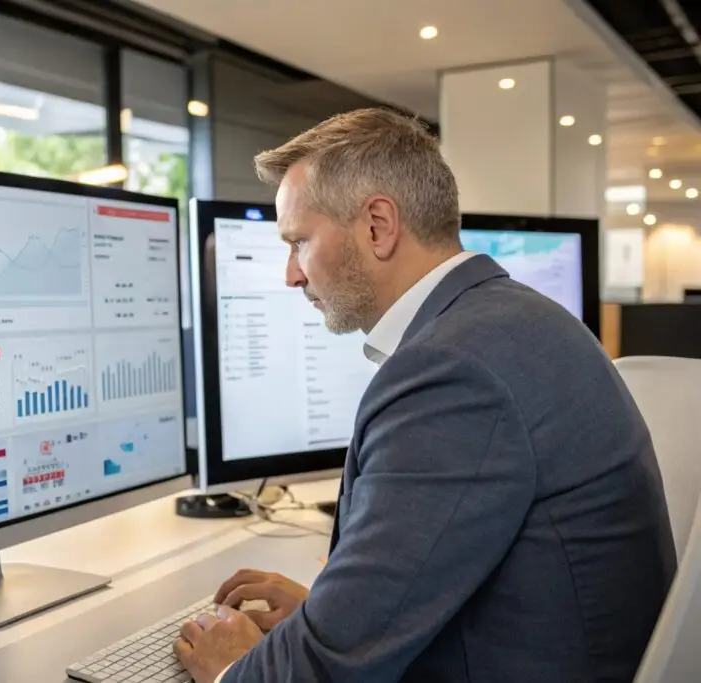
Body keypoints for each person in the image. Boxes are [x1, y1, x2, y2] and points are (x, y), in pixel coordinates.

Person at [172, 108, 676, 683]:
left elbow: (324, 674)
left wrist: (231, 666)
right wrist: (332, 613)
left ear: (377, 225)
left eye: (299, 242)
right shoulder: (514, 318)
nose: (292, 274)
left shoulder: (453, 371)